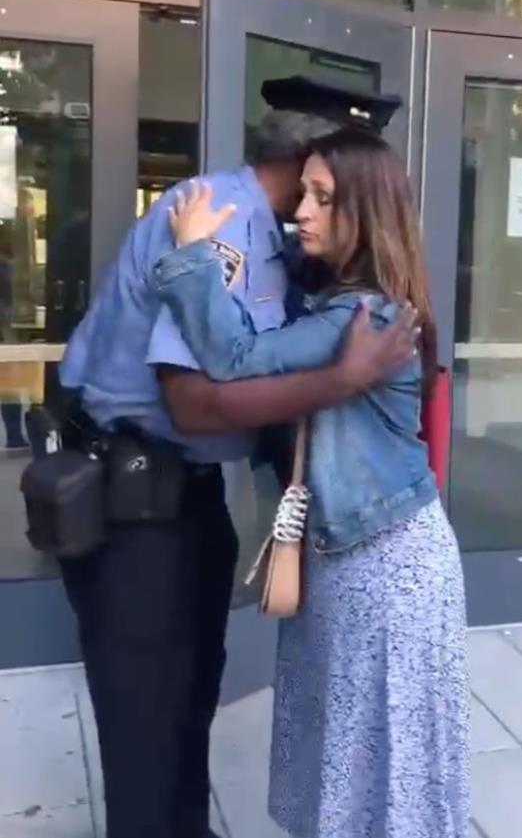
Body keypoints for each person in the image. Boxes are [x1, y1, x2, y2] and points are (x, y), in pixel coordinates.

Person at [58, 77, 419, 838]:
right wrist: (343, 377)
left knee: (187, 701)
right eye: (329, 176)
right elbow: (197, 398)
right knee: (149, 726)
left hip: (179, 493)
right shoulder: (227, 225)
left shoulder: (263, 227)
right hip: (137, 503)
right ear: (311, 159)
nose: (323, 204)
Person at [153, 126, 470, 838]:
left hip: (384, 573)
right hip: (362, 561)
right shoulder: (359, 300)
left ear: (365, 211)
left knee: (379, 773)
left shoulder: (367, 315)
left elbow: (232, 356)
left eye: (323, 198)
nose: (302, 210)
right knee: (358, 762)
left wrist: (193, 253)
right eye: (303, 193)